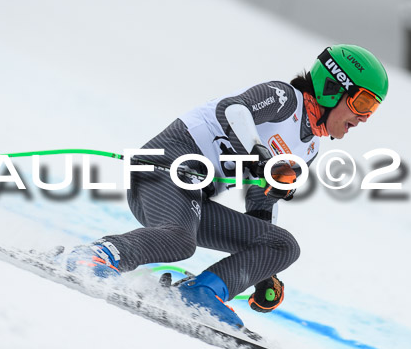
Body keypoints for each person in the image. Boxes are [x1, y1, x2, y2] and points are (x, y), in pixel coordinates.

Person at [65, 44, 389, 328]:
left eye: (372, 110)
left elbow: (261, 202)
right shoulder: (285, 99)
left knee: (282, 246)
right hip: (164, 168)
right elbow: (233, 109)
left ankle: (202, 293)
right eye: (362, 103)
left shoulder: (308, 149)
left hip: (192, 196)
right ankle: (94, 256)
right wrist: (258, 152)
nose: (364, 117)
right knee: (180, 240)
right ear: (333, 87)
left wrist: (263, 271)